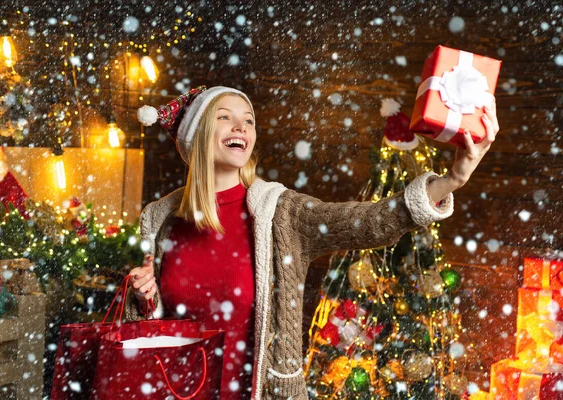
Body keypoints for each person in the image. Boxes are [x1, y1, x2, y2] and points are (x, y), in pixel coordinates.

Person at [126, 86, 499, 400]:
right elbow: (147, 330)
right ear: (196, 134)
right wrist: (146, 296)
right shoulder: (159, 220)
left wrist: (451, 180)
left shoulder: (280, 213)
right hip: (171, 390)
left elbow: (368, 223)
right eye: (224, 116)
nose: (241, 125)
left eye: (249, 119)